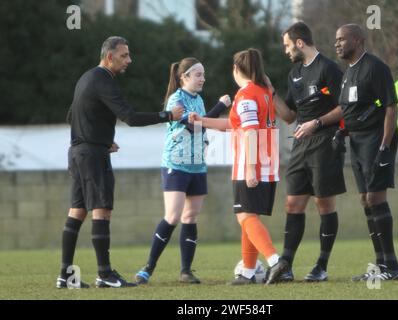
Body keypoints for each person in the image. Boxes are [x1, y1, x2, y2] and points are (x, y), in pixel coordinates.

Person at [56, 36, 183, 289]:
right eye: (124, 55)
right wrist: (168, 115)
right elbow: (130, 117)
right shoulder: (104, 80)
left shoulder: (87, 77)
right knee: (102, 209)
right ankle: (104, 274)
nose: (129, 60)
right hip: (91, 155)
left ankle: (66, 276)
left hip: (78, 152)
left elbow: (73, 114)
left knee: (77, 211)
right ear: (109, 56)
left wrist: (100, 139)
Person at [189, 48, 288, 285]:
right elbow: (234, 125)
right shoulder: (265, 92)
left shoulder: (246, 96)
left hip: (251, 164)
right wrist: (202, 121)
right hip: (268, 163)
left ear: (236, 69)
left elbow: (251, 132)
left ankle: (275, 261)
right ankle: (248, 271)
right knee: (247, 216)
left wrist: (251, 169)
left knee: (245, 217)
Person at [134, 57, 231, 285]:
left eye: (203, 75)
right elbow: (194, 123)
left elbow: (203, 125)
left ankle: (186, 271)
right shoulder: (176, 99)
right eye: (198, 74)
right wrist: (221, 105)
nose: (202, 79)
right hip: (176, 164)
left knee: (190, 217)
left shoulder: (199, 99)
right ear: (184, 76)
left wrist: (205, 141)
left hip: (197, 165)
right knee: (173, 216)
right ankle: (148, 267)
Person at [270, 22, 346, 282]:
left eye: (287, 45)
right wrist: (269, 92)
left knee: (323, 204)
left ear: (299, 42)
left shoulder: (328, 69)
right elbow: (289, 116)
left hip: (325, 142)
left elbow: (346, 107)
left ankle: (321, 266)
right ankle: (286, 265)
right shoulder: (294, 73)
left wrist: (316, 123)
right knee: (292, 203)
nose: (286, 50)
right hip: (300, 146)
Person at [335, 24, 398, 281]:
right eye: (336, 41)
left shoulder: (376, 67)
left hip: (376, 141)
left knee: (375, 198)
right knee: (365, 200)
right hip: (357, 143)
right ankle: (380, 265)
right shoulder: (347, 73)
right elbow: (351, 110)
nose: (338, 44)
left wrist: (385, 147)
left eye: (342, 39)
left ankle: (392, 267)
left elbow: (391, 108)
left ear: (358, 40)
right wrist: (341, 132)